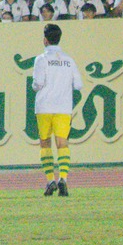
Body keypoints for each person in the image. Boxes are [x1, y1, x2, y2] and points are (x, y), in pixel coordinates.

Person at [31, 24, 84, 196]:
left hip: (44, 106)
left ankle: (50, 180)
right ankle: (63, 179)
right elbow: (79, 85)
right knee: (62, 143)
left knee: (45, 142)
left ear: (45, 40)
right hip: (63, 107)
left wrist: (36, 86)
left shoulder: (41, 59)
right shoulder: (68, 60)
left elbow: (38, 84)